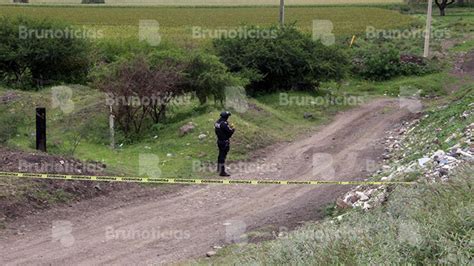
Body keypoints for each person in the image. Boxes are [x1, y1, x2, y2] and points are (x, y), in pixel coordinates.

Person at [214, 111, 235, 176]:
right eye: (228, 116)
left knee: (220, 155)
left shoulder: (217, 122)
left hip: (219, 141)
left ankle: (219, 168)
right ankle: (222, 172)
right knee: (223, 156)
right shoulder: (224, 124)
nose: (228, 118)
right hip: (224, 142)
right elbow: (229, 132)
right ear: (226, 117)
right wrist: (233, 129)